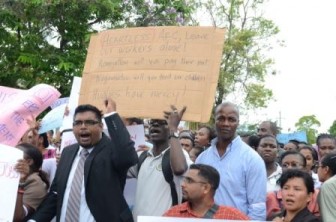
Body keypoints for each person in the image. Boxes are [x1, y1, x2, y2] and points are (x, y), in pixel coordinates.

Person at [28, 99, 138, 222]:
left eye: (90, 122)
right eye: (78, 123)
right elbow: (56, 193)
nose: (83, 127)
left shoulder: (112, 151)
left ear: (101, 126)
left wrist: (111, 115)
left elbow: (128, 156)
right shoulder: (67, 152)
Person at [196, 102, 267, 220]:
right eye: (221, 118)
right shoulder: (202, 158)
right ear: (215, 121)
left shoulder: (252, 159)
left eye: (231, 119)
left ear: (238, 122)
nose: (226, 123)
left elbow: (257, 207)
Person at [129, 105, 192, 220]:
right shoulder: (142, 157)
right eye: (152, 122)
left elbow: (179, 169)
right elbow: (115, 169)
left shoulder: (179, 155)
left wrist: (173, 129)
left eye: (162, 122)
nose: (155, 125)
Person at [163, 164, 249, 220]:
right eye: (184, 180)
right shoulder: (172, 214)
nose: (182, 185)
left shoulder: (232, 217)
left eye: (189, 181)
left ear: (206, 188)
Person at [266, 151, 320, 220]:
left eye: (297, 189)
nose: (290, 193)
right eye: (286, 188)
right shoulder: (274, 218)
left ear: (309, 196)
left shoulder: (312, 220)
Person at [14, 143, 49, 221]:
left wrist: (21, 184)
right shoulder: (12, 178)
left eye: (15, 154)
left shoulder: (36, 185)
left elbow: (17, 216)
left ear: (29, 162)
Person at [317, 152, 336, 221]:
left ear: (326, 169)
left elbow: (330, 218)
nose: (317, 170)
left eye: (318, 166)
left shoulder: (328, 185)